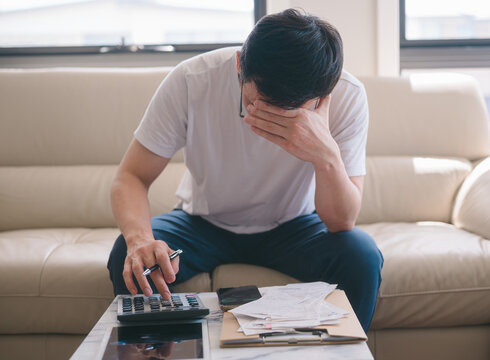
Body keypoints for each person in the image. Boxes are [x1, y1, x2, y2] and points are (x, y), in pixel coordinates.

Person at [107, 8, 383, 331]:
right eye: (258, 102)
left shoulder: (348, 96)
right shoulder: (192, 81)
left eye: (289, 114)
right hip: (202, 222)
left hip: (294, 226)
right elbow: (131, 176)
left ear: (321, 98)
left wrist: (326, 155)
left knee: (362, 258)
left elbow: (341, 221)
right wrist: (140, 240)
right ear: (240, 65)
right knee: (126, 257)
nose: (270, 118)